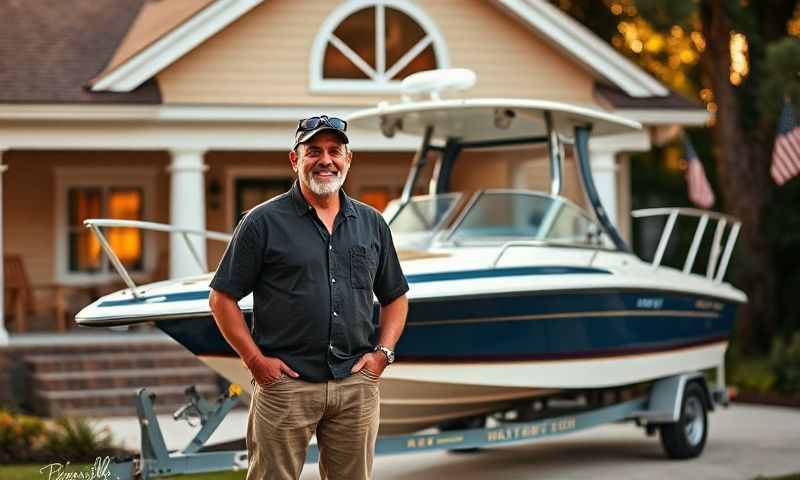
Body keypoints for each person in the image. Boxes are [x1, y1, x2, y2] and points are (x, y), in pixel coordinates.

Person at [208, 115, 409, 480]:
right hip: (284, 385)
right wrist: (255, 361)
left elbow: (396, 296)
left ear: (348, 159)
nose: (325, 160)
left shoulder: (372, 223)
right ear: (294, 159)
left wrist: (383, 355)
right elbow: (221, 299)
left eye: (335, 151)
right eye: (313, 151)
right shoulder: (261, 222)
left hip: (355, 386)